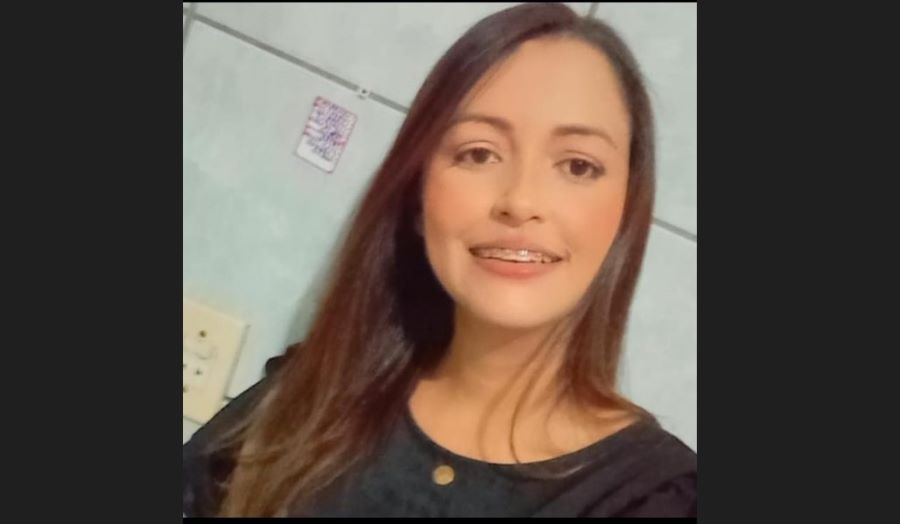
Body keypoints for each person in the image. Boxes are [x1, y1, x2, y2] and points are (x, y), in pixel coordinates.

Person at [183, 3, 696, 517]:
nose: (520, 201)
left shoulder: (653, 498)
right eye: (478, 153)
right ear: (418, 197)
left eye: (578, 165)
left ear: (626, 210)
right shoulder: (308, 399)